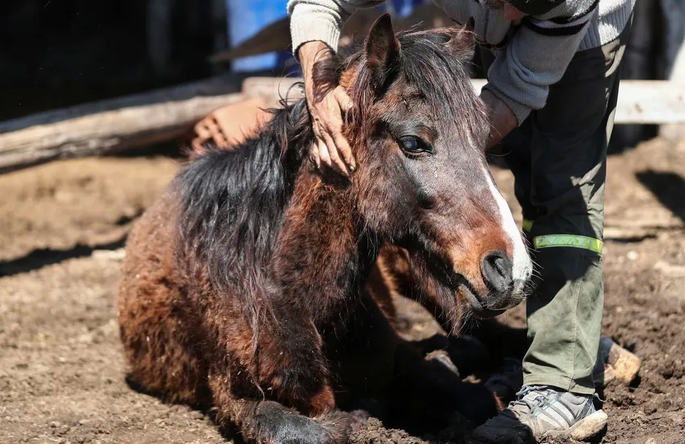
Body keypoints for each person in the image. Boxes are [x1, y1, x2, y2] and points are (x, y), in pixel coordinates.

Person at [193, 0, 635, 440]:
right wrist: (321, 91)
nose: (512, 19)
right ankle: (524, 347)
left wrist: (454, 153)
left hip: (578, 39)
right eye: (505, 2)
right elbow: (316, 2)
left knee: (561, 189)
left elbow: (519, 87)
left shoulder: (569, 4)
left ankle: (563, 382)